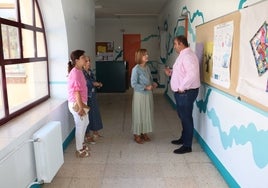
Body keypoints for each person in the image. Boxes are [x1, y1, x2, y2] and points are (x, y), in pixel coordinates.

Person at [165, 35, 200, 154]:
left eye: (175, 44)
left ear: (181, 43)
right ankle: (184, 138)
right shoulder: (183, 55)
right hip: (182, 92)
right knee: (183, 117)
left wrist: (181, 87)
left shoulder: (188, 56)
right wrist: (171, 73)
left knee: (186, 118)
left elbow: (192, 74)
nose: (174, 47)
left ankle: (187, 145)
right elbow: (182, 72)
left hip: (185, 92)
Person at [131, 48, 158, 144]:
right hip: (140, 95)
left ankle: (144, 132)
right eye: (144, 55)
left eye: (147, 54)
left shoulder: (147, 67)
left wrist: (153, 83)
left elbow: (150, 79)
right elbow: (133, 84)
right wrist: (146, 87)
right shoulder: (136, 69)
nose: (147, 56)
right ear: (139, 57)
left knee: (147, 113)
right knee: (139, 114)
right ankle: (137, 134)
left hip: (148, 95)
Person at [67, 49, 90, 158]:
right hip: (77, 104)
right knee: (80, 125)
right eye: (82, 57)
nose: (85, 59)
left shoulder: (79, 71)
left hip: (82, 102)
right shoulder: (75, 73)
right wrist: (81, 108)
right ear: (76, 60)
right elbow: (76, 92)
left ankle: (82, 143)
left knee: (86, 122)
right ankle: (79, 149)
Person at [83, 56, 103, 144]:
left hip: (92, 96)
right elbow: (87, 83)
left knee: (95, 114)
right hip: (86, 97)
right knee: (86, 116)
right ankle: (87, 136)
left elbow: (93, 81)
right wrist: (96, 84)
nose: (88, 63)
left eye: (89, 61)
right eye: (86, 61)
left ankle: (95, 132)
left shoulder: (90, 71)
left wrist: (98, 84)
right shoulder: (81, 73)